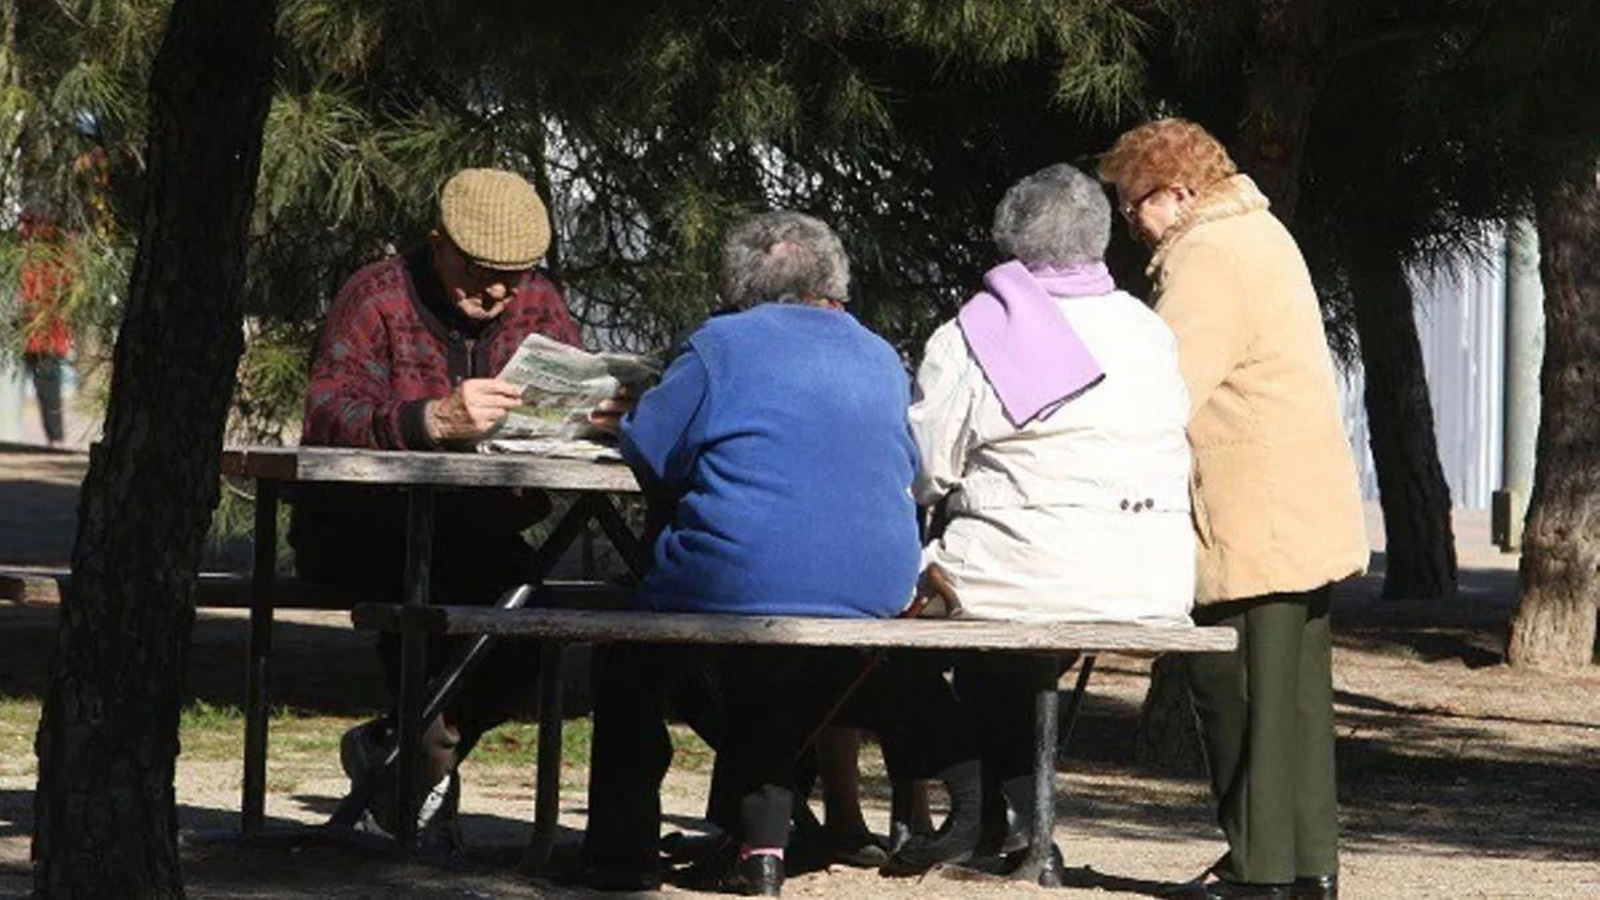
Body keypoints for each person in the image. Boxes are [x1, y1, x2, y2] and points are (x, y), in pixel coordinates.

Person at [579, 212, 984, 896]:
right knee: (767, 653)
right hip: (874, 588)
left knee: (628, 659)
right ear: (834, 284)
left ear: (737, 288)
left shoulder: (719, 345)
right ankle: (757, 843)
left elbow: (650, 452)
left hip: (734, 579)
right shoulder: (882, 354)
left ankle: (622, 858)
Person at [1098, 118, 1367, 900]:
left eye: (1132, 204)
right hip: (1297, 505)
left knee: (1236, 692)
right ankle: (1306, 862)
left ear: (1177, 192)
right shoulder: (1261, 232)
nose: (1130, 223)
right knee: (1295, 705)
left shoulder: (1207, 256)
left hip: (1253, 512)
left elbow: (1169, 386)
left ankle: (1257, 869)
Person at [907, 163, 1195, 869]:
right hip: (1150, 574)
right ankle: (1018, 829)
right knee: (995, 661)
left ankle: (991, 810)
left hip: (1021, 571)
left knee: (898, 621)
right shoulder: (1148, 330)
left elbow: (922, 469)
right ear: (1099, 240)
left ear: (1008, 242)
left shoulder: (974, 332)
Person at [290, 167, 583, 843]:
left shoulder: (536, 300)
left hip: (479, 527)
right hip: (361, 527)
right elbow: (329, 414)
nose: (499, 292)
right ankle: (415, 767)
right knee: (428, 606)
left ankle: (408, 750)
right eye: (481, 272)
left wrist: (597, 416)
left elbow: (566, 386)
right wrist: (428, 421)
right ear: (437, 244)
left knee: (530, 615)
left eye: (515, 274)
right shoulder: (376, 296)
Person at [17, 211, 73, 448]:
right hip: (36, 332)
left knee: (47, 384)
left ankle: (56, 437)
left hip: (46, 333)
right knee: (46, 385)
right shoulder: (35, 252)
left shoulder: (52, 254)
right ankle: (54, 437)